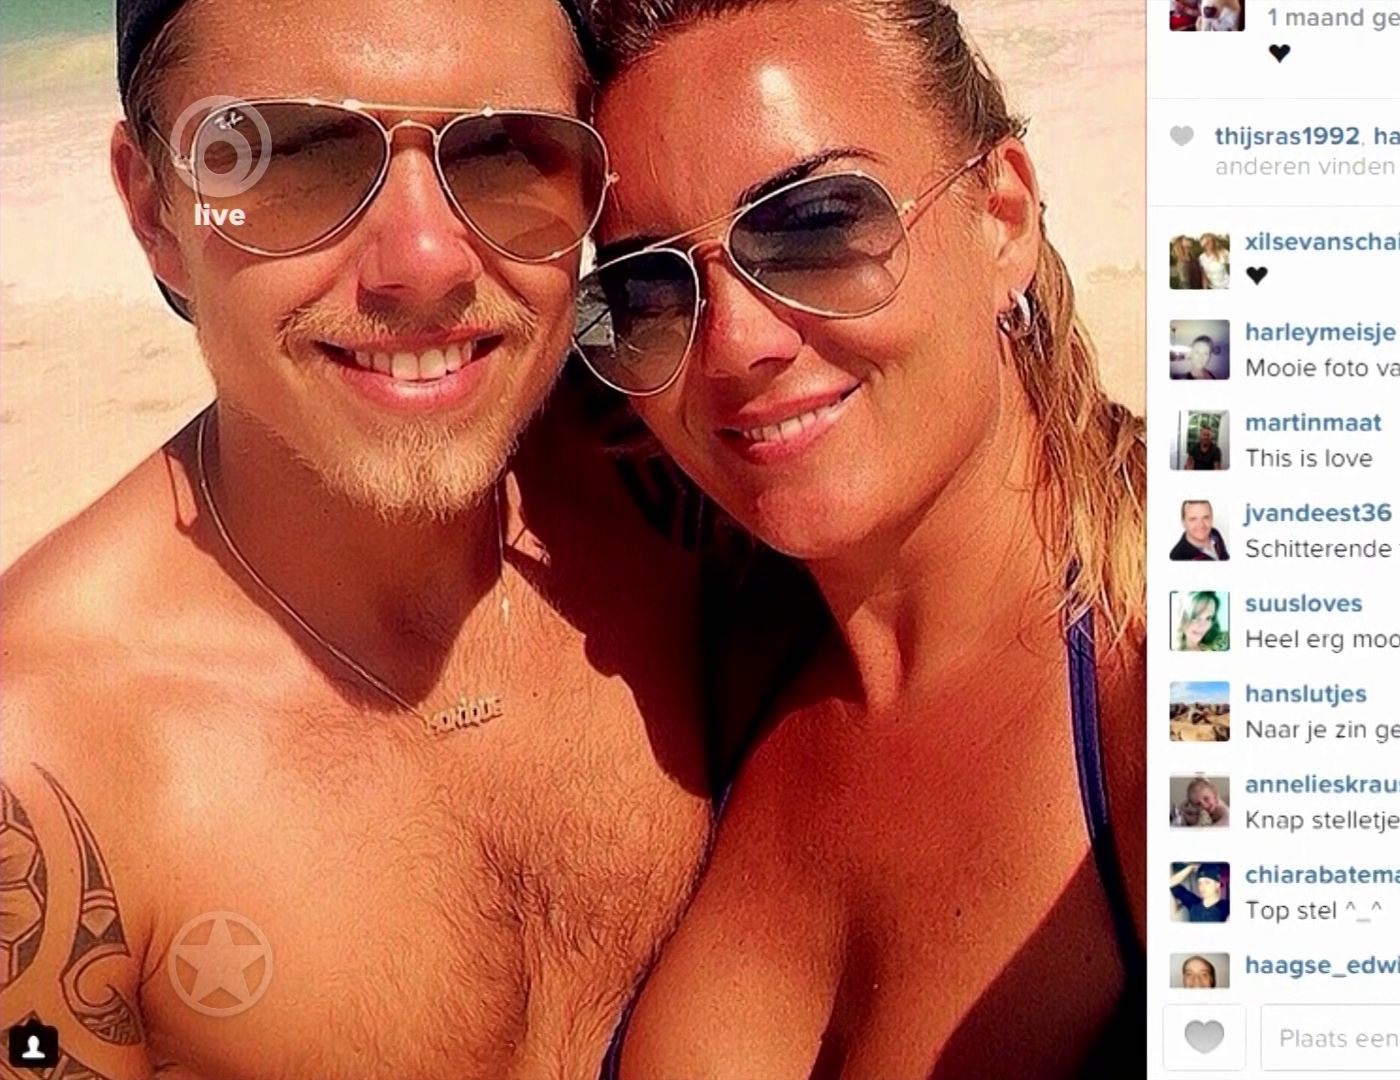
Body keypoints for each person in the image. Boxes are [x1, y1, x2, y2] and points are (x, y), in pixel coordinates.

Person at [0, 2, 720, 1077]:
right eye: (297, 157)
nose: (424, 264)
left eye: (503, 151)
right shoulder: (50, 761)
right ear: (155, 211)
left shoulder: (695, 490)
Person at [580, 1, 1148, 1076]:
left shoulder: (1182, 701)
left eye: (814, 225)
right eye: (648, 285)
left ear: (1003, 219)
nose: (733, 345)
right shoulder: (700, 677)